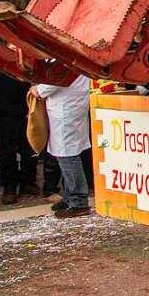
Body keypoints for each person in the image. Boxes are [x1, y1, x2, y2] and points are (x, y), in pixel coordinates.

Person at [34, 75, 92, 218]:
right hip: (70, 103)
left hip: (67, 107)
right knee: (67, 153)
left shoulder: (67, 56)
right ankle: (69, 197)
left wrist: (38, 89)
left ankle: (78, 202)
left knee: (68, 155)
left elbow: (58, 78)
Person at [0, 70, 39, 204]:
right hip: (4, 108)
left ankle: (28, 181)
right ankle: (9, 187)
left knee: (30, 147)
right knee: (7, 150)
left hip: (27, 104)